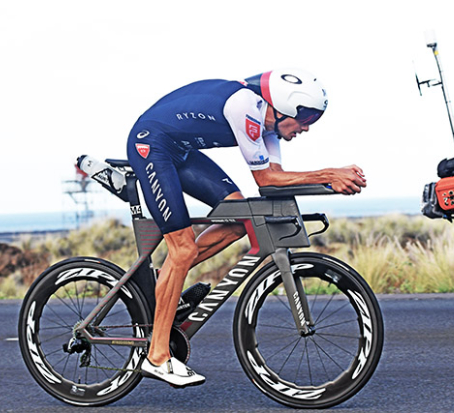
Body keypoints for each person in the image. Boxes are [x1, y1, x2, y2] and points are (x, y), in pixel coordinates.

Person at [125, 69, 366, 387]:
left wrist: (329, 181)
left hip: (179, 152)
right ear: (282, 109)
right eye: (305, 118)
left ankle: (166, 282)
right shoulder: (246, 109)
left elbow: (277, 178)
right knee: (182, 249)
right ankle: (156, 357)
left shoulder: (270, 126)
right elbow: (265, 180)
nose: (307, 127)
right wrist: (328, 173)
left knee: (237, 219)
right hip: (151, 145)